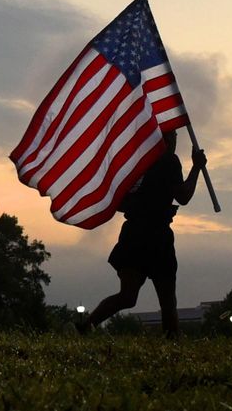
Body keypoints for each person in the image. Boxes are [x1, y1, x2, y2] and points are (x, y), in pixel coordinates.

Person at [81, 129, 206, 337]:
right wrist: (197, 168)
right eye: (173, 136)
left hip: (133, 234)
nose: (174, 140)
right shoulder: (168, 161)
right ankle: (172, 344)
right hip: (155, 236)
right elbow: (183, 196)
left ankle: (86, 325)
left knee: (127, 296)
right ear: (165, 139)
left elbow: (119, 202)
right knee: (167, 300)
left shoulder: (135, 163)